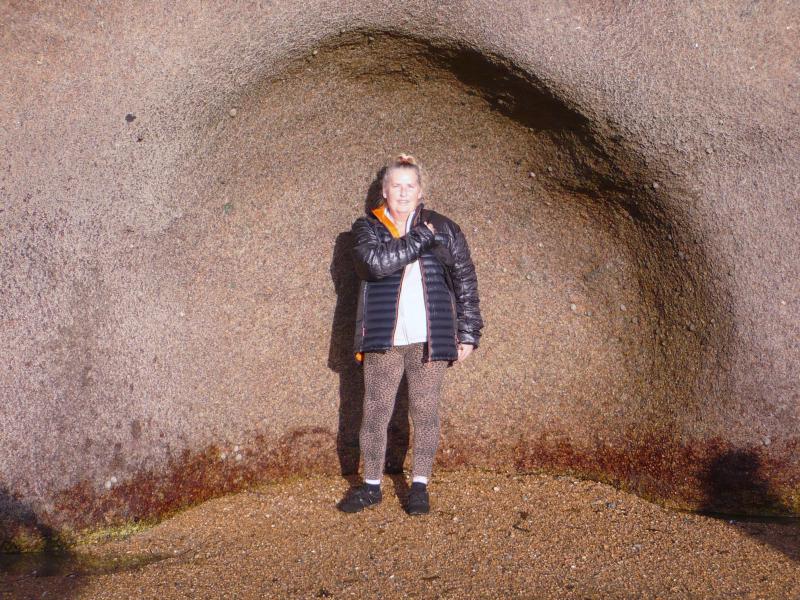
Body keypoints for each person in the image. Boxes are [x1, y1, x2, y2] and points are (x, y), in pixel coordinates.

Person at [338, 153, 483, 516]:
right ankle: (371, 486)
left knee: (425, 411)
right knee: (375, 411)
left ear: (420, 191)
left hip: (430, 338)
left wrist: (468, 332)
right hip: (382, 337)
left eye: (410, 186)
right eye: (396, 186)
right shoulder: (367, 228)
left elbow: (464, 279)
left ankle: (419, 485)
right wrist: (420, 238)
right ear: (384, 191)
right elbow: (374, 265)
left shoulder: (445, 227)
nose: (403, 192)